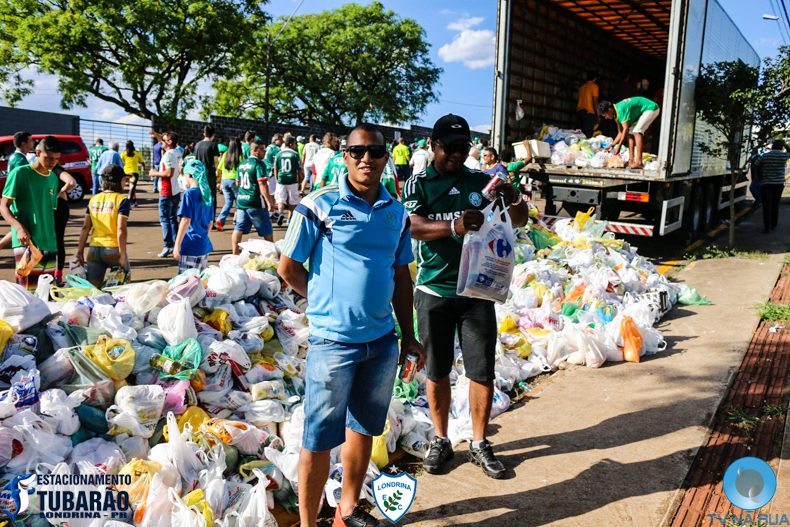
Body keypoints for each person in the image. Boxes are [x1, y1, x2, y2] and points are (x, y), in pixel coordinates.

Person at [278, 123, 424, 527]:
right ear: (344, 156)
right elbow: (289, 268)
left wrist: (409, 336)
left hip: (381, 342)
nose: (366, 159)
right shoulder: (317, 205)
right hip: (332, 344)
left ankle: (346, 510)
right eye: (358, 151)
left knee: (363, 431)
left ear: (386, 159)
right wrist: (326, 303)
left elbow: (400, 275)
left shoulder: (396, 213)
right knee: (319, 439)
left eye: (376, 153)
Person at [403, 113, 529, 479]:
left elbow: (518, 219)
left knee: (480, 371)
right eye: (450, 148)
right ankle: (441, 439)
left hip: (477, 292)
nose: (457, 154)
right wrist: (453, 226)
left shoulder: (481, 182)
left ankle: (478, 442)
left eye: (463, 147)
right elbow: (411, 226)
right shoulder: (419, 184)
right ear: (433, 146)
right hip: (434, 290)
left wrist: (514, 196)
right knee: (438, 369)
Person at [0, 136, 64, 290]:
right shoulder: (20, 173)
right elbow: (3, 206)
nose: (52, 162)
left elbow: (49, 212)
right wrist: (19, 228)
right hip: (26, 243)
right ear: (37, 152)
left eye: (56, 159)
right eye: (48, 158)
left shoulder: (54, 178)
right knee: (26, 291)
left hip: (49, 242)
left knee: (45, 294)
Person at [75, 165, 131, 287]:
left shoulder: (93, 199)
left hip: (94, 250)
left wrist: (79, 252)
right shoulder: (122, 200)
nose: (125, 183)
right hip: (114, 249)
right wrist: (122, 255)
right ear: (118, 181)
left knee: (93, 289)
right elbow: (121, 229)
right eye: (124, 180)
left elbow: (85, 227)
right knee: (121, 287)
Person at [233, 140, 275, 253]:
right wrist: (269, 202)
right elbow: (262, 183)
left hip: (241, 201)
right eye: (262, 149)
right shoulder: (259, 164)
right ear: (254, 150)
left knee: (238, 228)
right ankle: (272, 254)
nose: (265, 151)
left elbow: (237, 183)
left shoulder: (241, 164)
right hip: (255, 201)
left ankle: (234, 253)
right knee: (267, 230)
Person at [174, 160, 215, 273]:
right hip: (203, 245)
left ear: (189, 175)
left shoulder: (189, 194)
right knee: (198, 282)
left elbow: (185, 220)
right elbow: (211, 222)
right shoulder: (207, 194)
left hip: (190, 244)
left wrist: (177, 245)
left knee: (185, 283)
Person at [599, 97, 660, 169]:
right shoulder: (616, 114)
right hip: (643, 111)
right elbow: (621, 132)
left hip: (651, 108)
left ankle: (639, 162)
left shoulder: (621, 109)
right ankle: (631, 160)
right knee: (630, 133)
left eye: (605, 115)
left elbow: (625, 129)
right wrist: (612, 145)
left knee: (637, 131)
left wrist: (619, 146)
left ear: (609, 110)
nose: (606, 117)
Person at [149, 132, 182, 258]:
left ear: (169, 142)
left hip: (167, 191)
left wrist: (155, 173)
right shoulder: (177, 152)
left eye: (164, 140)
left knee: (165, 220)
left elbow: (168, 173)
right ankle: (175, 245)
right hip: (175, 190)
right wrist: (158, 135)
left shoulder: (168, 155)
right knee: (173, 219)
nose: (161, 142)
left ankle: (168, 245)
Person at [753, 140, 790, 233]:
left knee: (766, 205)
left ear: (772, 146)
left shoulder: (765, 155)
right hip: (778, 184)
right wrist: (785, 145)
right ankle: (773, 224)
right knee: (775, 204)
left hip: (766, 183)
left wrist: (755, 175)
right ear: (782, 147)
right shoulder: (783, 155)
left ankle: (767, 227)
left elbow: (755, 165)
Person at [51, 164, 78, 284]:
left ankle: (57, 274)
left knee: (57, 240)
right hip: (53, 208)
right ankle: (54, 274)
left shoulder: (56, 170)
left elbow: (72, 182)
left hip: (58, 208)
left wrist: (59, 192)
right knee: (55, 240)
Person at [273, 136, 303, 226]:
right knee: (293, 200)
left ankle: (281, 213)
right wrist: (300, 182)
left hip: (281, 179)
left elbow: (275, 169)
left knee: (281, 199)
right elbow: (300, 170)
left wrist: (277, 179)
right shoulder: (295, 154)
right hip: (292, 179)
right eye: (295, 144)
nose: (295, 146)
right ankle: (289, 219)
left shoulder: (279, 154)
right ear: (291, 144)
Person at [193, 125, 221, 217]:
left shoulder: (197, 145)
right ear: (213, 134)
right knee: (211, 197)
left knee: (199, 196)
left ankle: (199, 218)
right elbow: (216, 162)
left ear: (204, 134)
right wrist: (218, 175)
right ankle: (210, 220)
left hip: (198, 174)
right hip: (209, 174)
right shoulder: (213, 145)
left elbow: (194, 160)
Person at [216, 138, 242, 231]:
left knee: (228, 203)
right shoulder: (240, 156)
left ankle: (220, 219)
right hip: (235, 180)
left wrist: (218, 181)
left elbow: (219, 169)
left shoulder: (225, 155)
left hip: (225, 180)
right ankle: (240, 223)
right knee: (239, 203)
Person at [121, 141, 146, 207]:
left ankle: (134, 202)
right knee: (132, 188)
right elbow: (142, 162)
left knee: (132, 188)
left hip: (126, 173)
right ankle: (128, 202)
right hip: (134, 173)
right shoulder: (137, 153)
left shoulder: (124, 153)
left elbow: (120, 161)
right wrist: (143, 167)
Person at [264, 133, 284, 216]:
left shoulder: (268, 147)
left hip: (266, 170)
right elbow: (278, 160)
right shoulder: (276, 148)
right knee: (272, 193)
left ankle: (272, 211)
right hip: (271, 172)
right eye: (280, 139)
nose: (282, 141)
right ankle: (271, 211)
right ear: (276, 140)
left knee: (270, 191)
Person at [577, 72, 599, 138]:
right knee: (587, 135)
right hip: (588, 112)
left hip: (579, 112)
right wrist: (598, 113)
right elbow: (595, 101)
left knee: (579, 134)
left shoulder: (581, 87)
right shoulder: (594, 86)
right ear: (595, 79)